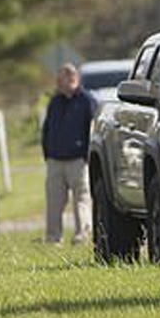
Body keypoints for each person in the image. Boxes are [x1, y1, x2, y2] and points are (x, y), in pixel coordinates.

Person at [42, 63, 98, 244]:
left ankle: (82, 234)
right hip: (55, 160)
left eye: (67, 77)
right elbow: (47, 129)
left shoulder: (87, 100)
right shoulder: (55, 102)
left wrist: (87, 155)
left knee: (81, 199)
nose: (61, 81)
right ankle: (53, 237)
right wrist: (48, 153)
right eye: (60, 78)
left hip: (78, 159)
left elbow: (93, 129)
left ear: (75, 79)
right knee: (54, 202)